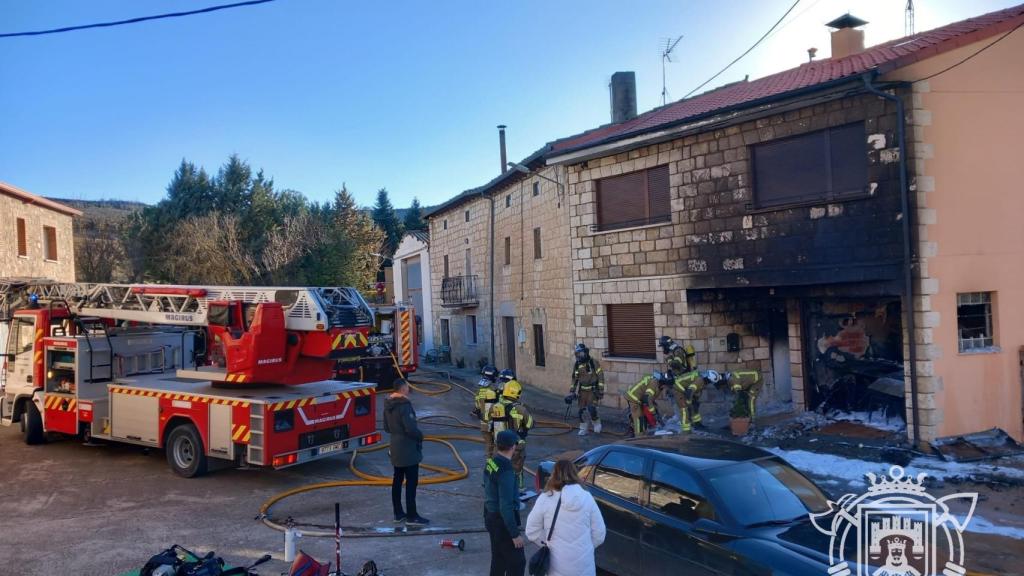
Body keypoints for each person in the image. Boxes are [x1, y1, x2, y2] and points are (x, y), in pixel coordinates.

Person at [526, 459, 606, 576]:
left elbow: (531, 531)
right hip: (584, 567)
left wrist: (548, 542)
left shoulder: (545, 498)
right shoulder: (587, 497)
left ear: (553, 475)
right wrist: (584, 547)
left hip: (556, 566)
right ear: (574, 474)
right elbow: (599, 534)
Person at [382, 379, 429, 525]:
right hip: (408, 447)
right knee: (411, 481)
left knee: (397, 480)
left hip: (395, 445)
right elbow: (410, 428)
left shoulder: (388, 405)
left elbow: (386, 427)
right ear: (403, 389)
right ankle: (412, 515)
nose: (408, 389)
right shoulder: (404, 405)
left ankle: (398, 513)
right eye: (407, 386)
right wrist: (420, 436)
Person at [484, 430, 527, 576]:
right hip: (503, 523)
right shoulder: (506, 471)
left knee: (499, 559)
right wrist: (514, 534)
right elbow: (506, 506)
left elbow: (486, 486)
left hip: (490, 516)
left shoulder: (491, 461)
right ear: (513, 447)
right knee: (517, 563)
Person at [491, 370, 534, 493]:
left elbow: (489, 419)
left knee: (500, 467)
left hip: (499, 443)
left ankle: (500, 488)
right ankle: (518, 489)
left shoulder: (496, 406)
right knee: (516, 468)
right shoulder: (520, 408)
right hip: (515, 444)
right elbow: (530, 424)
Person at [570, 343, 605, 436]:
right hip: (582, 391)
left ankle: (596, 424)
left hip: (592, 390)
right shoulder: (577, 364)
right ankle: (583, 428)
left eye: (580, 354)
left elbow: (600, 375)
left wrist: (601, 389)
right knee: (581, 411)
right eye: (577, 354)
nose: (579, 356)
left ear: (585, 353)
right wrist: (572, 391)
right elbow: (575, 378)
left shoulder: (593, 362)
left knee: (591, 408)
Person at [624, 371, 669, 437]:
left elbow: (650, 398)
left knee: (643, 416)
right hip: (634, 398)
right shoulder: (654, 383)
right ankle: (639, 437)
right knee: (639, 418)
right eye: (667, 386)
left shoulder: (658, 384)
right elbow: (647, 399)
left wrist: (656, 411)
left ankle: (639, 432)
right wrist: (654, 413)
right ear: (664, 383)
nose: (667, 388)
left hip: (640, 398)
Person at [475, 365, 502, 458]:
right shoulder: (493, 390)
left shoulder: (480, 389)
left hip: (484, 423)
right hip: (495, 422)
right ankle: (496, 466)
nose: (496, 378)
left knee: (488, 444)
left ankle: (489, 465)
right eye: (495, 376)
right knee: (497, 445)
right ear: (491, 376)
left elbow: (477, 406)